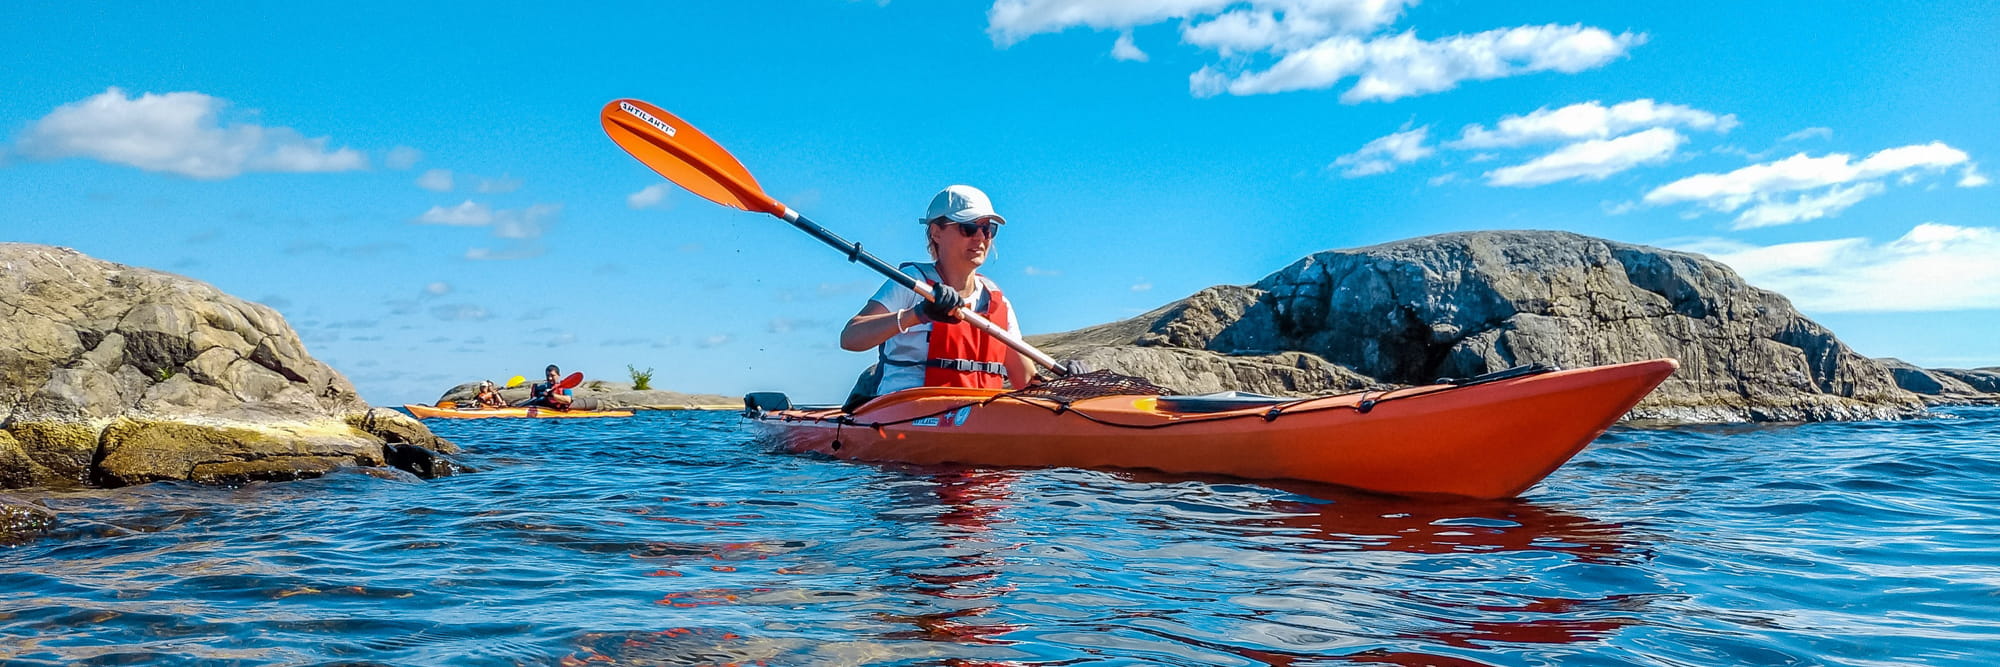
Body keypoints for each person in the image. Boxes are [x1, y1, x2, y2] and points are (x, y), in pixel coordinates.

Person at [839, 185, 1033, 406]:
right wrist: (918, 314)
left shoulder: (997, 301)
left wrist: (1074, 381)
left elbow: (1025, 379)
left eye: (988, 229)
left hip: (979, 414)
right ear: (936, 232)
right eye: (968, 227)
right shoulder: (912, 283)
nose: (980, 237)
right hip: (907, 411)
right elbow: (850, 337)